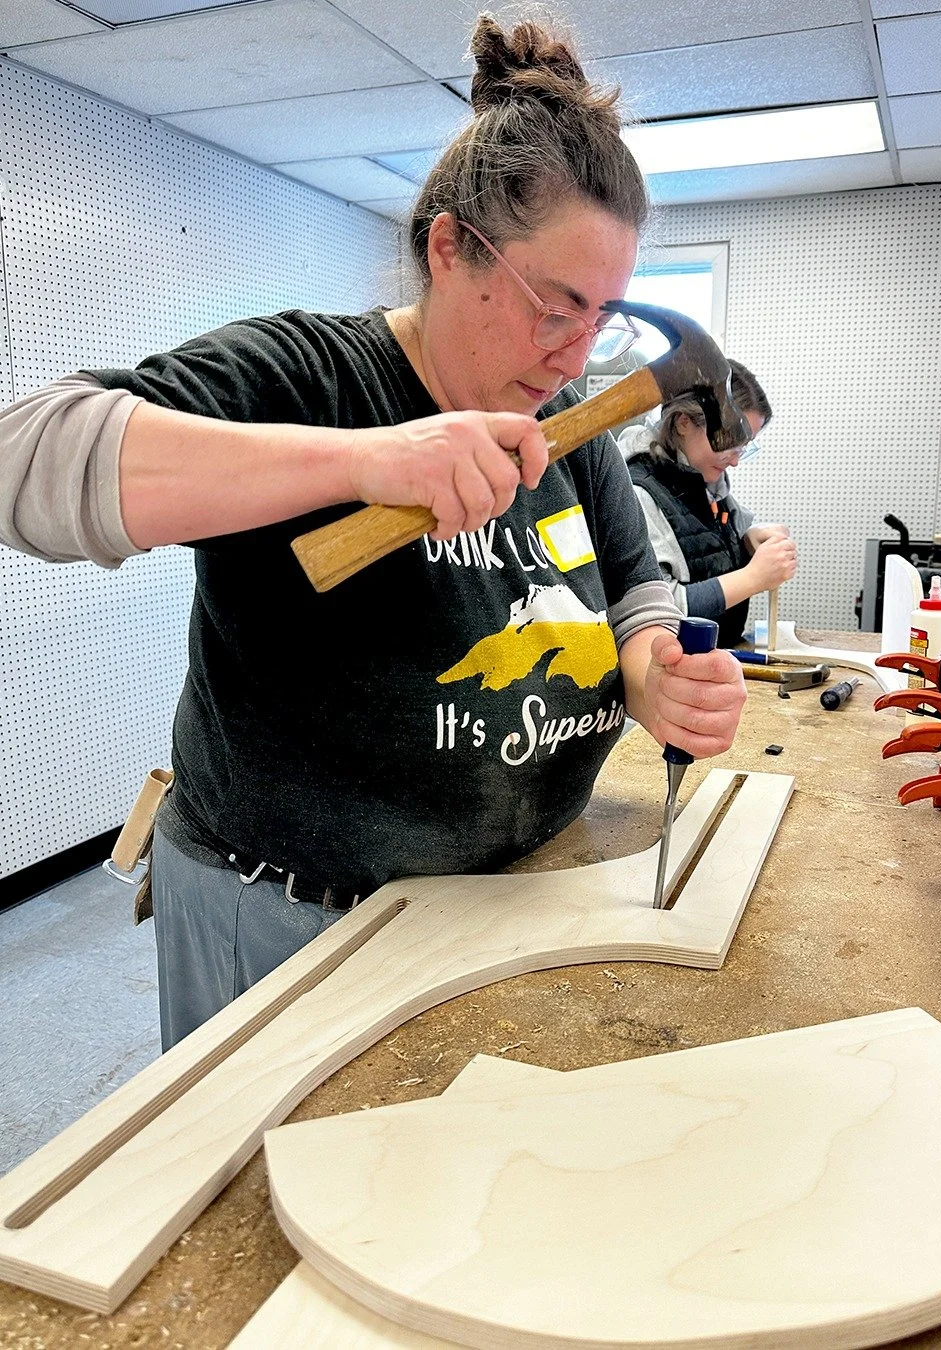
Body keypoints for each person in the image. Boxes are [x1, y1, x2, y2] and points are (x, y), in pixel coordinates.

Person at [0, 14, 746, 1050]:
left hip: (505, 901)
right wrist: (363, 462)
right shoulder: (311, 376)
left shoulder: (562, 424)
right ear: (450, 248)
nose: (575, 355)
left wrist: (653, 666)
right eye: (553, 306)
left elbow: (634, 580)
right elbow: (23, 460)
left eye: (603, 319)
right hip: (289, 913)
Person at [617, 363, 797, 647]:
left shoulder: (708, 482)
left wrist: (747, 542)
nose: (735, 461)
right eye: (730, 443)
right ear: (684, 422)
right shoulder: (639, 492)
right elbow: (659, 609)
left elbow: (705, 552)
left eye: (743, 448)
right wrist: (754, 577)